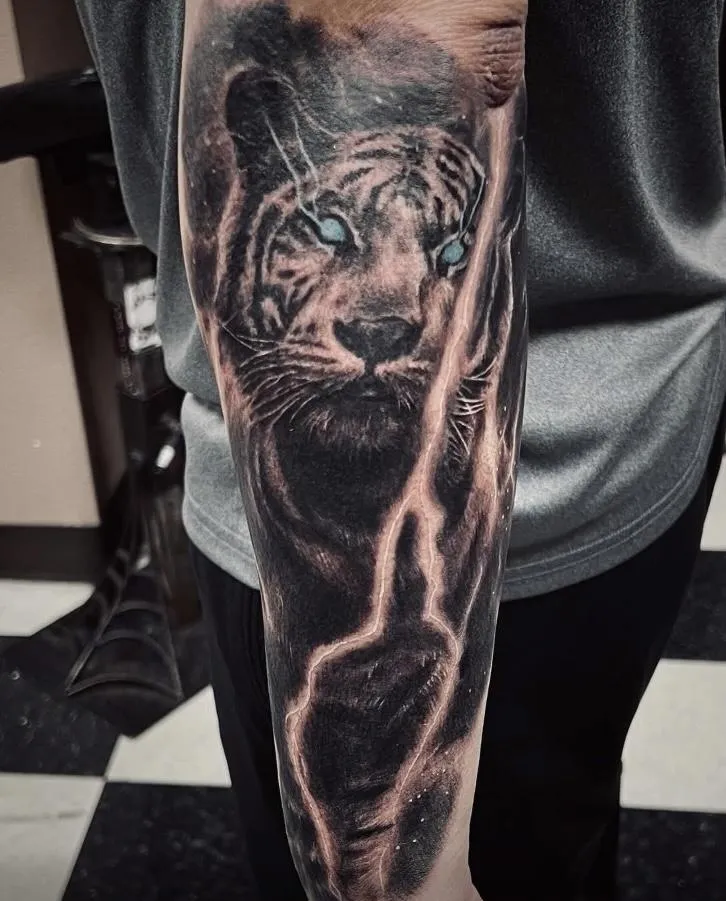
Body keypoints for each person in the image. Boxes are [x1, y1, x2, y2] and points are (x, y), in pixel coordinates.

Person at [75, 1, 726, 899]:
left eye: (446, 251)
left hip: (537, 492)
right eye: (331, 232)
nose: (390, 312)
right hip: (602, 432)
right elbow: (348, 45)